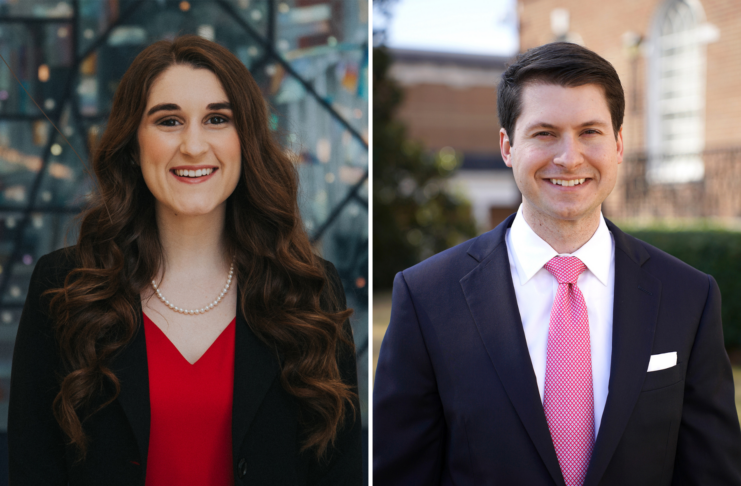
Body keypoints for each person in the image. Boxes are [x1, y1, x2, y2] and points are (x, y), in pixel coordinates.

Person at [374, 42, 741, 486]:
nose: (569, 157)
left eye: (590, 132)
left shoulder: (690, 296)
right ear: (508, 146)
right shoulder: (428, 296)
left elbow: (712, 474)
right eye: (545, 133)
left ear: (619, 144)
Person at [9, 35, 362, 485]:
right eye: (169, 120)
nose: (194, 146)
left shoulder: (311, 291)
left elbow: (341, 468)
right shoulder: (63, 287)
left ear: (245, 141)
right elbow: (33, 468)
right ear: (134, 145)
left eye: (217, 119)